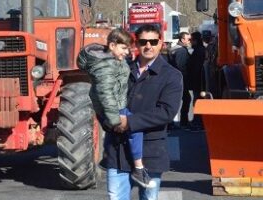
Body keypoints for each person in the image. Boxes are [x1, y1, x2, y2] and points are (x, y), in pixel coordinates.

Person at [104, 24, 183, 200]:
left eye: (153, 41)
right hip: (118, 149)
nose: (148, 46)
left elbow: (167, 112)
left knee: (148, 198)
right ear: (136, 44)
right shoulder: (121, 70)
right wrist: (108, 120)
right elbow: (104, 99)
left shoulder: (171, 75)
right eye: (143, 41)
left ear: (160, 43)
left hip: (151, 151)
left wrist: (129, 122)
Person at [77, 28, 154, 190]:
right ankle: (139, 169)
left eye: (128, 48)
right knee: (136, 128)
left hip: (117, 106)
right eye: (124, 48)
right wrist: (114, 120)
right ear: (112, 45)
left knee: (119, 137)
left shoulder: (113, 60)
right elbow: (106, 93)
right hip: (114, 109)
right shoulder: (105, 65)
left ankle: (107, 158)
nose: (127, 52)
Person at [168, 32, 192, 128]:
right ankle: (183, 122)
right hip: (180, 80)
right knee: (186, 99)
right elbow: (180, 67)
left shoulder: (173, 49)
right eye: (188, 39)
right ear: (182, 40)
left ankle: (170, 123)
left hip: (173, 79)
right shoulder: (181, 50)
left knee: (174, 100)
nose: (189, 41)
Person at [187, 32, 206, 131]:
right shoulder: (199, 50)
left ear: (196, 40)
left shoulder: (199, 51)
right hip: (198, 82)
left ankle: (198, 123)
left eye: (191, 40)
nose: (190, 42)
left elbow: (196, 69)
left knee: (198, 102)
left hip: (198, 82)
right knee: (197, 101)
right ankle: (197, 122)